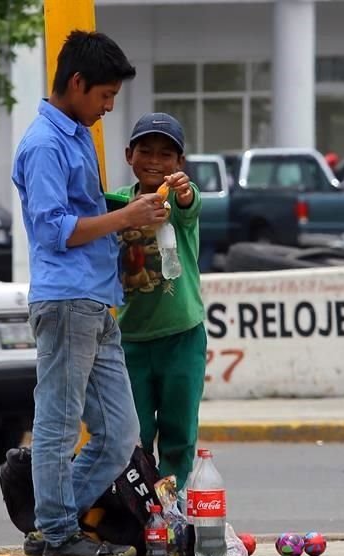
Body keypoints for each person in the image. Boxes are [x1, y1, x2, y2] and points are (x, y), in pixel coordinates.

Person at [12, 30, 169, 556]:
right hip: (65, 299)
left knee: (121, 431)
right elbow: (56, 228)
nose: (107, 109)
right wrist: (127, 217)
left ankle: (49, 524)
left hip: (97, 300)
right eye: (104, 96)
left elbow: (88, 208)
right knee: (57, 422)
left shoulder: (76, 133)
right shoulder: (44, 144)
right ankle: (57, 535)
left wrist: (134, 208)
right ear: (76, 83)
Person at [113, 113, 206, 492]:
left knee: (179, 430)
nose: (154, 160)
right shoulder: (116, 204)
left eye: (166, 154)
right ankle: (141, 509)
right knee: (134, 436)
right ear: (128, 155)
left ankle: (174, 509)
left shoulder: (179, 201)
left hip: (182, 336)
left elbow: (189, 204)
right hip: (129, 340)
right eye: (145, 151)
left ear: (179, 164)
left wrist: (183, 192)